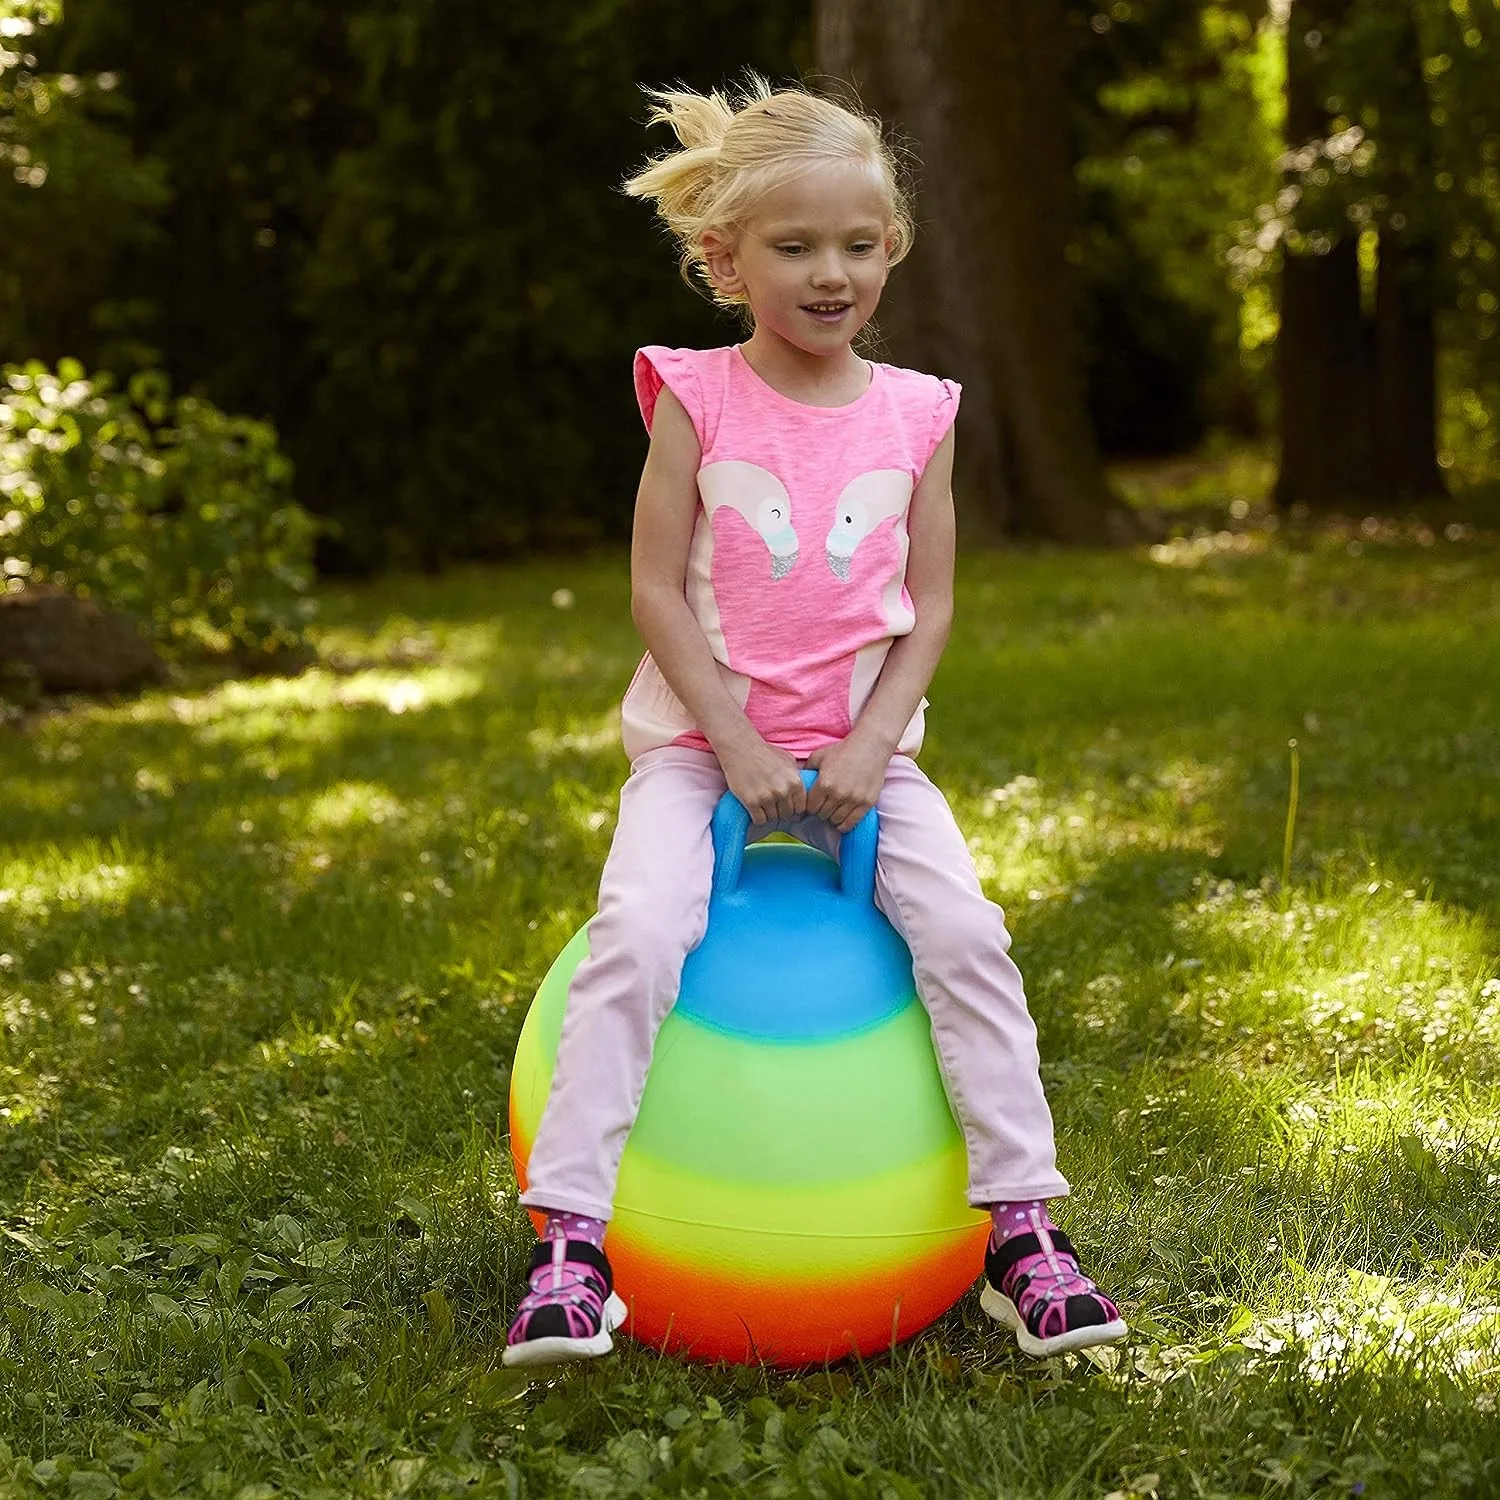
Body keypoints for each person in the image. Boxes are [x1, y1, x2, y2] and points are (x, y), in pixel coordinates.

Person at [503, 72, 1126, 1368]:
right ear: (727, 261)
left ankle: (1023, 1230)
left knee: (963, 930)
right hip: (697, 748)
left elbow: (932, 607)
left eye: (857, 244)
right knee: (638, 929)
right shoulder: (692, 396)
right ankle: (573, 1244)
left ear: (891, 246)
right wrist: (730, 739)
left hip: (863, 752)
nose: (830, 272)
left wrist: (864, 745)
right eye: (795, 247)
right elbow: (654, 589)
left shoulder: (920, 414)